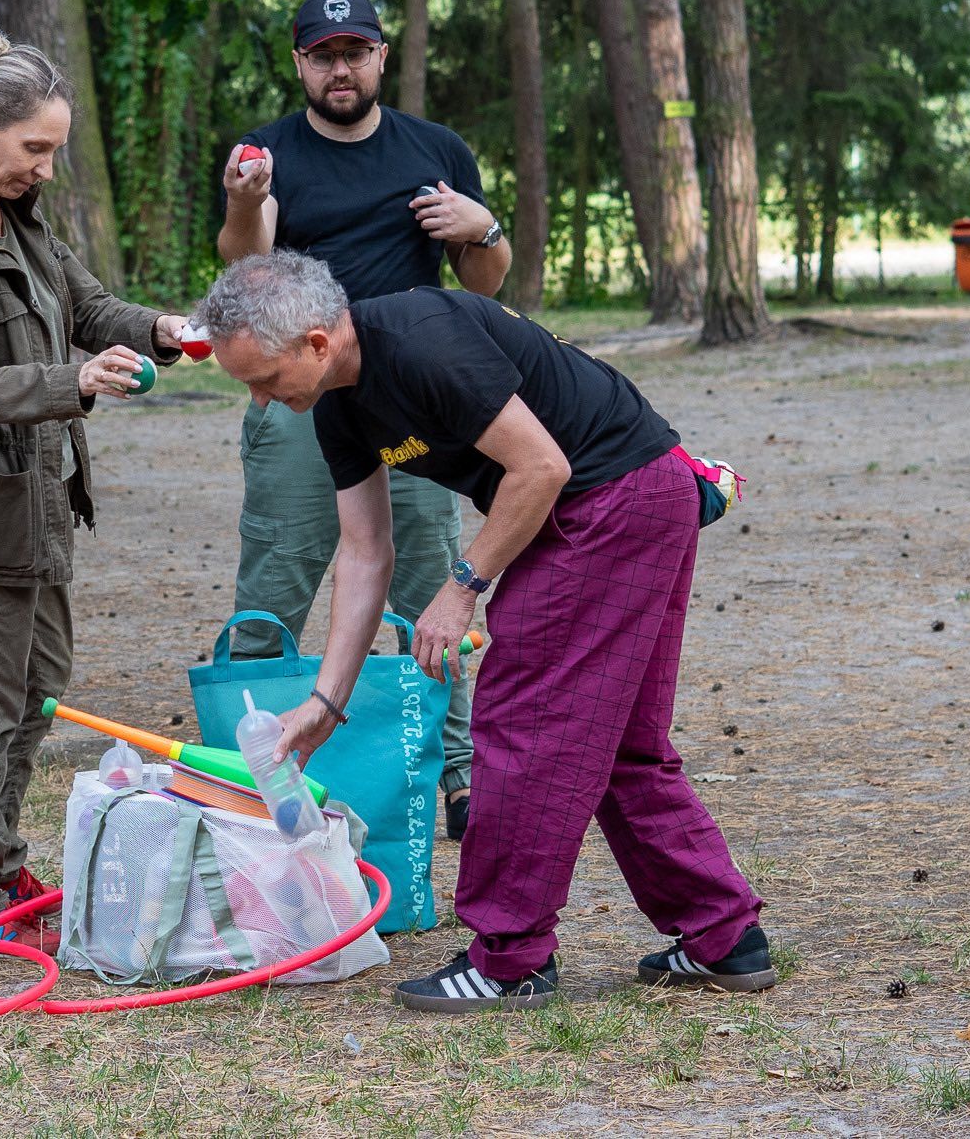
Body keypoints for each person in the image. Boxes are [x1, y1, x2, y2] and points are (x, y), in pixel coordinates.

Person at [191, 252, 774, 1013]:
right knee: (624, 741)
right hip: (630, 495)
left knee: (522, 720)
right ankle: (723, 938)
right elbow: (365, 554)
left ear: (315, 341)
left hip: (614, 498)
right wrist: (325, 702)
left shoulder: (423, 341)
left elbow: (542, 467)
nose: (262, 402)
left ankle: (510, 958)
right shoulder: (337, 405)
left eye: (262, 378)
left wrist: (461, 587)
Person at [0, 31, 187, 950]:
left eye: (52, 150)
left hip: (38, 499)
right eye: (34, 148)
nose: (45, 168)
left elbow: (89, 308)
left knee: (39, 685)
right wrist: (76, 384)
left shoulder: (24, 215)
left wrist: (166, 327)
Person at [218, 0, 511, 840]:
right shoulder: (266, 153)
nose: (339, 68)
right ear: (300, 63)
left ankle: (451, 771)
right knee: (277, 576)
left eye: (354, 51)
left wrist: (483, 226)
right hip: (299, 399)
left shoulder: (437, 149)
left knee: (428, 583)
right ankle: (251, 762)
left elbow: (484, 285)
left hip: (413, 402)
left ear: (382, 55)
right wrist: (243, 200)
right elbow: (247, 265)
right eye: (322, 54)